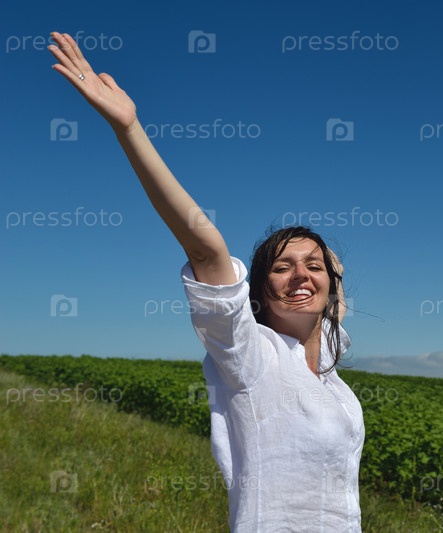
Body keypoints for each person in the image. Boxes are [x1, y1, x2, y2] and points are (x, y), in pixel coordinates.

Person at [48, 31, 365, 532]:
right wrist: (129, 128)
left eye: (314, 265)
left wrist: (328, 273)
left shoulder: (325, 356)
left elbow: (334, 299)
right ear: (257, 291)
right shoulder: (250, 356)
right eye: (282, 267)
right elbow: (204, 248)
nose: (302, 276)